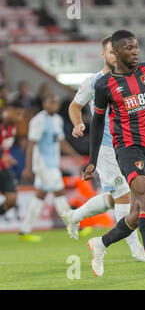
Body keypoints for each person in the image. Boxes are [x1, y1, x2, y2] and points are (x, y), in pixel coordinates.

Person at [82, 30, 145, 278]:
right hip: (127, 149)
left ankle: (101, 243)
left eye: (136, 47)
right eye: (128, 48)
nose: (135, 51)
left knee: (137, 214)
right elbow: (97, 123)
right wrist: (92, 160)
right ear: (115, 53)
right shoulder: (104, 86)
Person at [62, 36, 145, 263]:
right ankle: (136, 250)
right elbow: (75, 106)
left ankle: (75, 216)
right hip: (106, 148)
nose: (115, 56)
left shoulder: (131, 80)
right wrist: (78, 123)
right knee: (125, 196)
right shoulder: (94, 81)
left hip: (130, 146)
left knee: (116, 197)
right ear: (103, 54)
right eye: (111, 52)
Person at [19, 94, 83, 242]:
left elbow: (61, 142)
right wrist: (28, 167)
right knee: (59, 192)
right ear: (44, 103)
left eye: (56, 102)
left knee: (40, 195)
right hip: (42, 163)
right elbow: (31, 144)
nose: (54, 104)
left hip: (53, 162)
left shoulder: (58, 120)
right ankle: (74, 225)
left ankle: (24, 230)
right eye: (50, 101)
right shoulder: (38, 121)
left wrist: (75, 155)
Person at [0, 101, 25, 216]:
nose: (20, 118)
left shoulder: (12, 128)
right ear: (9, 112)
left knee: (12, 199)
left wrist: (7, 157)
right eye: (18, 114)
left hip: (3, 168)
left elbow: (4, 148)